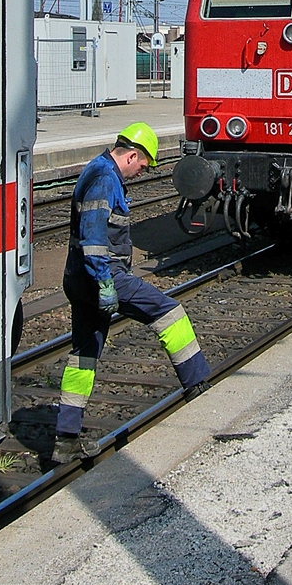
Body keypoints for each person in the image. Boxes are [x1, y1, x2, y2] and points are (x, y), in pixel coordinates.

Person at [51, 122, 212, 464]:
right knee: (170, 313)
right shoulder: (105, 179)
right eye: (143, 165)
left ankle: (65, 440)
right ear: (132, 155)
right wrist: (106, 283)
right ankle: (199, 388)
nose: (142, 172)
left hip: (79, 279)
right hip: (103, 277)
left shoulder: (97, 169)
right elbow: (94, 240)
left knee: (84, 355)